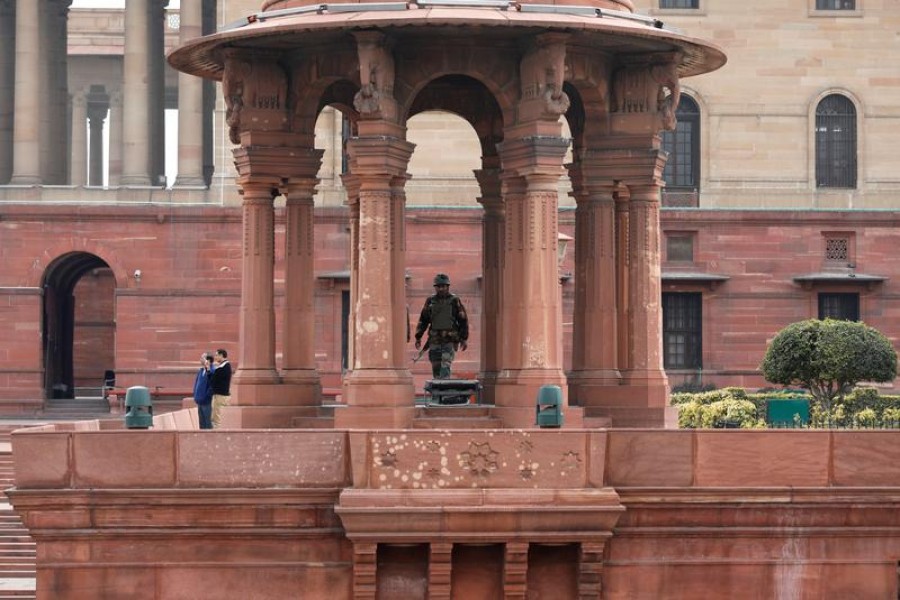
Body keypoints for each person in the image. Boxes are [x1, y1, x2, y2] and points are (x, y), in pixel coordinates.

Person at [414, 273, 469, 379]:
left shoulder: (454, 300)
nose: (441, 289)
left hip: (449, 339)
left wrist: (463, 338)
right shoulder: (430, 301)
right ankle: (437, 394)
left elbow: (463, 320)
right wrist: (418, 337)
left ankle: (444, 393)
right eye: (438, 286)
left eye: (443, 286)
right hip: (434, 340)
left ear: (447, 287)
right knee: (436, 367)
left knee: (445, 367)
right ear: (435, 287)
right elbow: (423, 320)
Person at [209, 348, 232, 429]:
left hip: (220, 396)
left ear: (221, 355)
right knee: (216, 417)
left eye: (216, 355)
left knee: (216, 418)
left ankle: (217, 435)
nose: (215, 357)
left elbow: (213, 380)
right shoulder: (223, 367)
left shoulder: (223, 367)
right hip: (220, 395)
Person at [191, 352, 214, 430]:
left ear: (208, 360)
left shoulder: (212, 371)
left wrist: (206, 397)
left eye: (202, 358)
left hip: (207, 402)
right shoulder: (201, 371)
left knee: (208, 424)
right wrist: (195, 395)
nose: (200, 359)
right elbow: (197, 383)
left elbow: (212, 386)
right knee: (202, 424)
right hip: (199, 401)